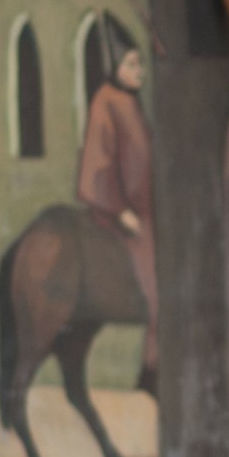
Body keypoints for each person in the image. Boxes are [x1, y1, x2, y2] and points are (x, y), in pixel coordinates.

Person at [76, 45, 157, 394]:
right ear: (115, 67)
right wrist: (122, 211)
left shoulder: (131, 102)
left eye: (140, 64)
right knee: (158, 284)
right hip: (121, 215)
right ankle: (152, 371)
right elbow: (95, 167)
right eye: (132, 64)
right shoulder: (105, 101)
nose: (140, 71)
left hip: (148, 210)